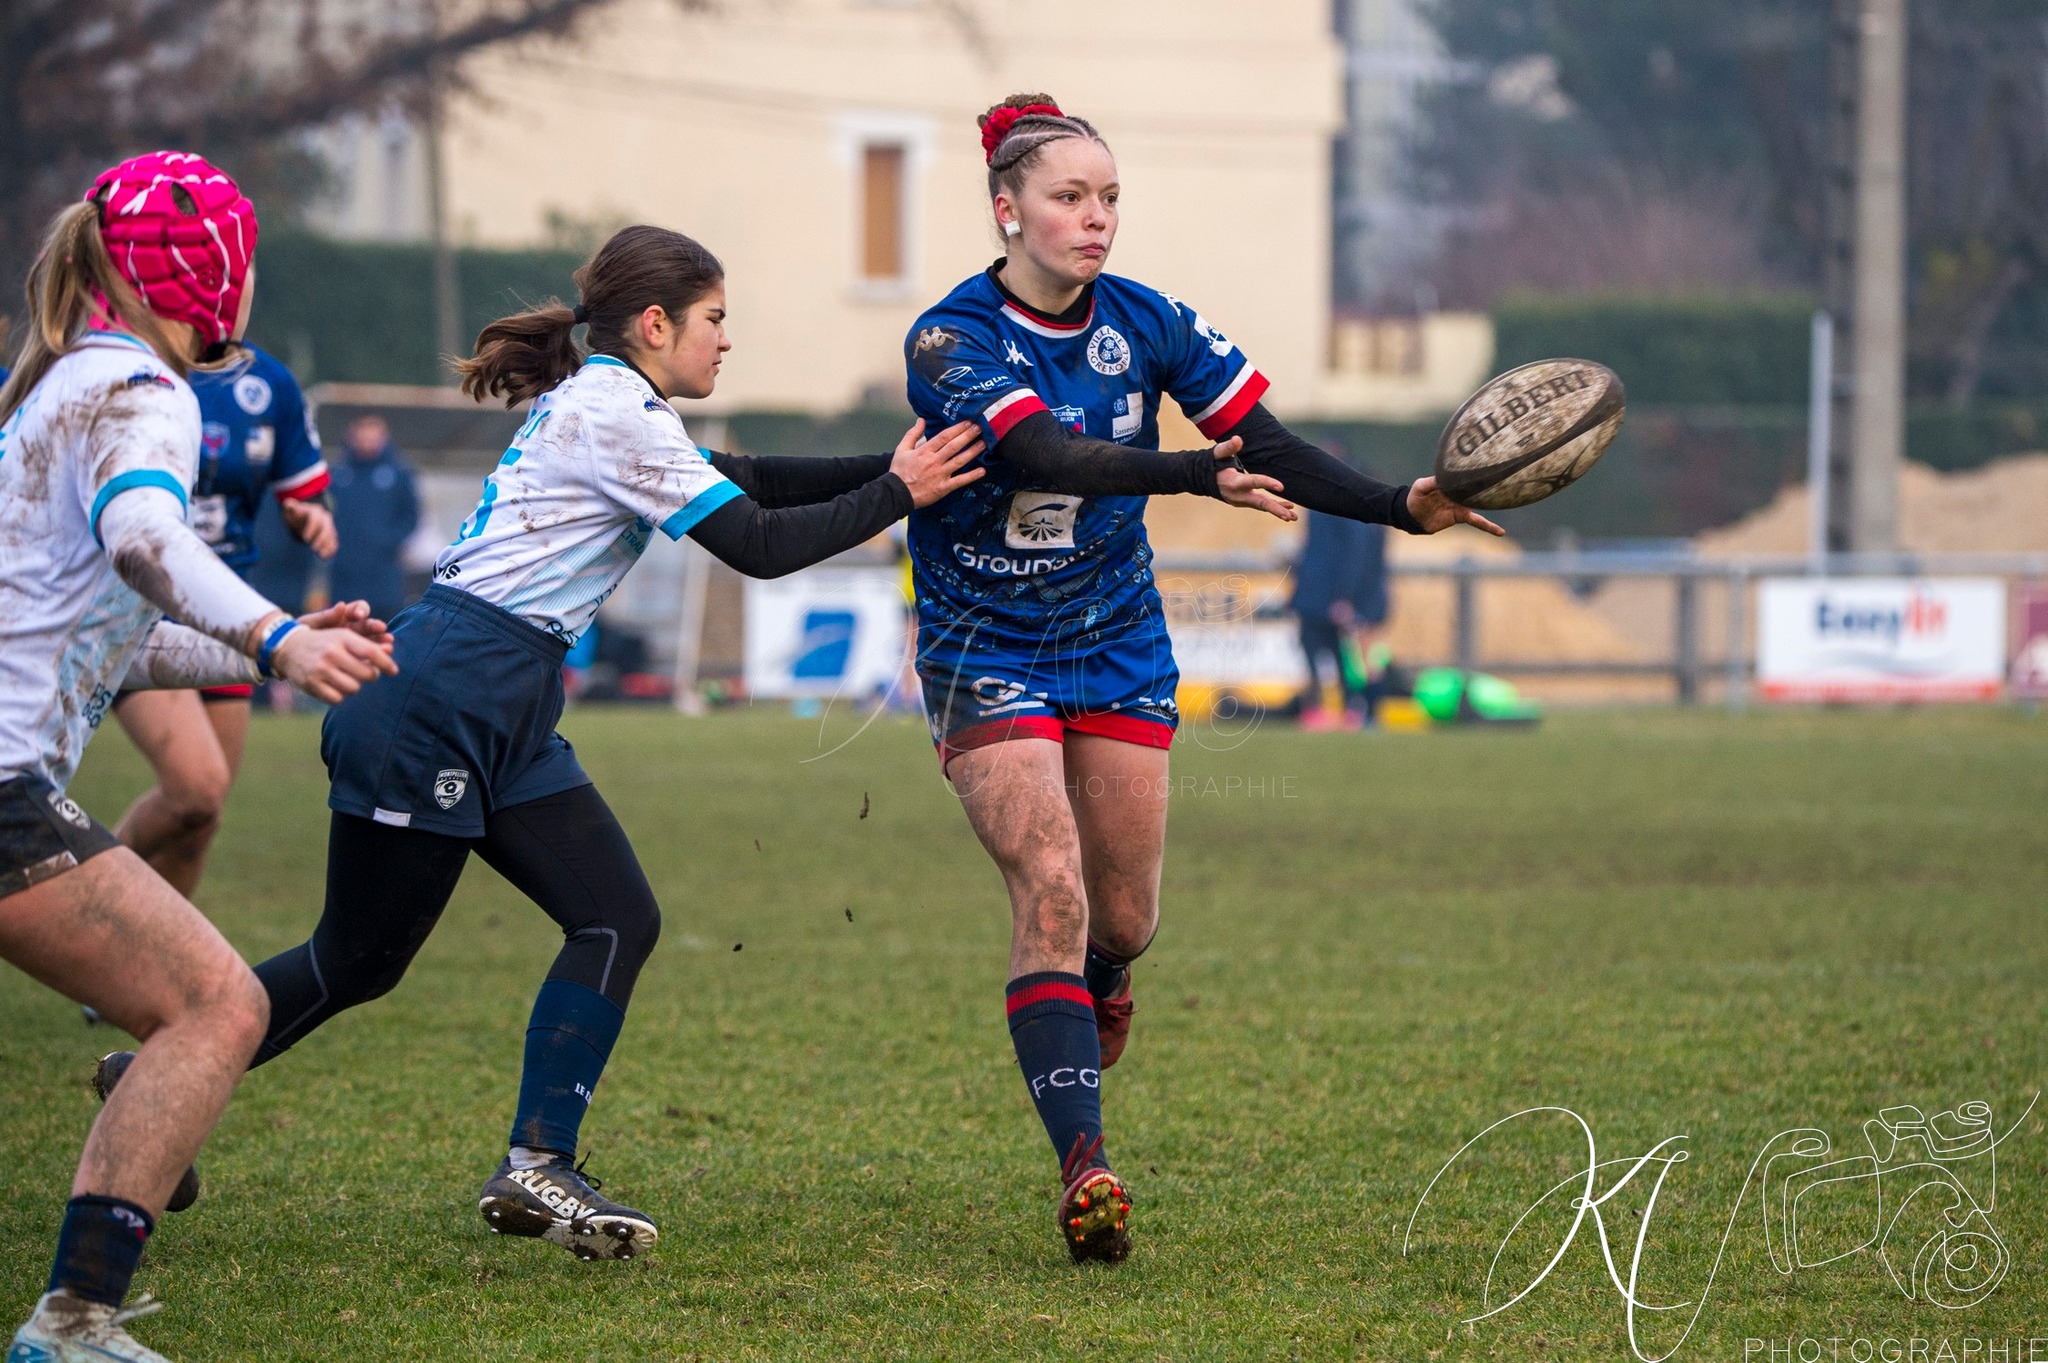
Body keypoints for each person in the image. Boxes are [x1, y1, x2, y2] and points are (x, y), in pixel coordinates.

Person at [102, 224, 987, 1265]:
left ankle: (535, 1162)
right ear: (655, 325)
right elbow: (751, 544)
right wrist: (899, 493)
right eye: (714, 322)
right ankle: (157, 1074)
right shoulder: (613, 408)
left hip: (504, 703)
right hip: (440, 696)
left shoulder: (619, 403)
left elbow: (744, 476)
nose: (725, 343)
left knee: (615, 917)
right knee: (357, 962)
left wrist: (893, 466)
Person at [900, 95, 1505, 1264]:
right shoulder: (949, 338)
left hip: (1116, 638)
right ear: (1006, 209)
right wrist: (1188, 472)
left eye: (1109, 197)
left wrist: (1398, 505)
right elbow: (1039, 450)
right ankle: (1086, 1166)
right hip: (985, 645)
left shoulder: (1148, 319)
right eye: (1070, 197)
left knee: (1123, 919)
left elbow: (1262, 442)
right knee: (1053, 888)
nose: (1095, 220)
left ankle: (1106, 978)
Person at [0, 152, 394, 1362]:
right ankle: (73, 1321)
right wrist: (269, 636)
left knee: (196, 1004)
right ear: (215, 276)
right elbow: (143, 539)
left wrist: (258, 641)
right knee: (219, 1005)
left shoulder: (63, 381)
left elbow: (90, 635)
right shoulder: (141, 395)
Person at [109, 340, 336, 895]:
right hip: (135, 610)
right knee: (197, 788)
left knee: (198, 822)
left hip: (229, 611)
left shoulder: (269, 383)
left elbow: (304, 491)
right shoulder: (120, 366)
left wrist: (308, 514)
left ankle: (148, 968)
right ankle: (81, 895)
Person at [1290, 506, 1390, 729]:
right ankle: (1355, 712)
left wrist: (1345, 596)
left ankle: (1362, 712)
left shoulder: (1345, 513)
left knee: (1359, 658)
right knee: (1349, 657)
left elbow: (1355, 556)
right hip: (1342, 598)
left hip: (1350, 600)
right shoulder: (1362, 513)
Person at [328, 413, 419, 621]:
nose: (366, 442)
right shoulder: (337, 475)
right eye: (362, 436)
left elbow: (411, 517)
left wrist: (387, 541)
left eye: (372, 436)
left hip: (384, 576)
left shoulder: (398, 474)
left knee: (385, 634)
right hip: (344, 576)